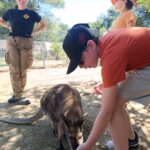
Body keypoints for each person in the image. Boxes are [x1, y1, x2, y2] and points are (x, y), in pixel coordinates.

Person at [62, 23, 150, 150]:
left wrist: (87, 145)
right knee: (116, 99)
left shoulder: (110, 55)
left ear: (91, 45)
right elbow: (129, 57)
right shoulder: (108, 41)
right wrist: (109, 85)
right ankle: (130, 141)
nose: (81, 67)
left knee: (113, 105)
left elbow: (107, 111)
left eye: (80, 61)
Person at [0, 0, 46, 105]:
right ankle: (18, 95)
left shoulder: (32, 14)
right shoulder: (10, 12)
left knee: (23, 68)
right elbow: (1, 20)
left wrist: (34, 32)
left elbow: (43, 25)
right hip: (12, 41)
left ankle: (18, 94)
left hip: (27, 42)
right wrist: (7, 26)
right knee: (14, 67)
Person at [94, 0, 137, 95]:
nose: (114, 3)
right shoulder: (117, 19)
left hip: (121, 50)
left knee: (121, 77)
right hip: (113, 50)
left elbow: (129, 33)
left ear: (125, 1)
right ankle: (109, 90)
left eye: (116, 1)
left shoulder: (129, 13)